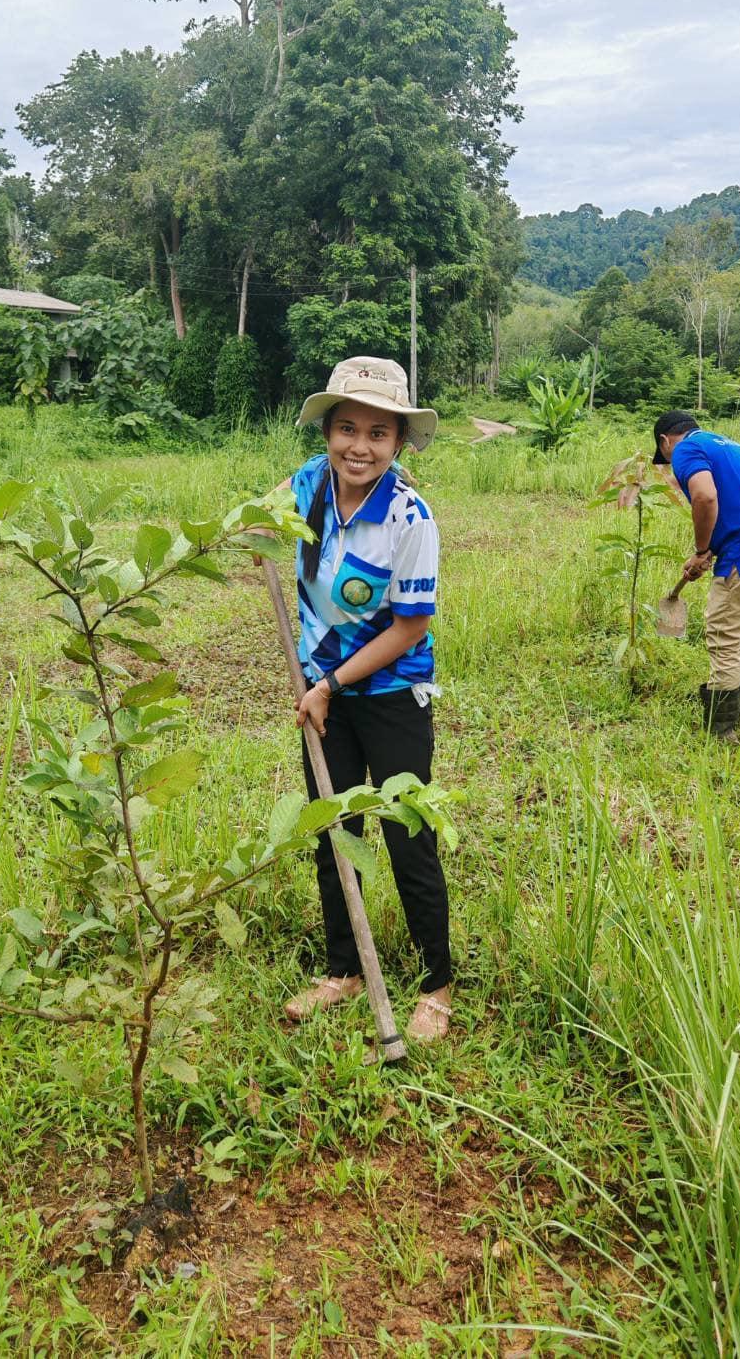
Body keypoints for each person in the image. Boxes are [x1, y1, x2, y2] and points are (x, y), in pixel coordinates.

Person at [280, 356, 452, 1043]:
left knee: (408, 835)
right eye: (347, 428)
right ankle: (343, 970)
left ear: (399, 442)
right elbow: (258, 523)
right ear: (327, 432)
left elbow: (410, 626)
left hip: (388, 692)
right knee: (335, 828)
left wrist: (329, 684)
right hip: (321, 692)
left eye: (378, 433)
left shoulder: (411, 518)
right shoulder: (307, 484)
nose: (359, 446)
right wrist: (252, 534)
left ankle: (436, 985)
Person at [653, 411, 740, 739]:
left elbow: (705, 496)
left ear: (665, 441)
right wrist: (708, 551)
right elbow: (737, 507)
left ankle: (721, 731)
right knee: (739, 629)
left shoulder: (685, 449)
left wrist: (702, 548)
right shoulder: (728, 446)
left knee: (723, 631)